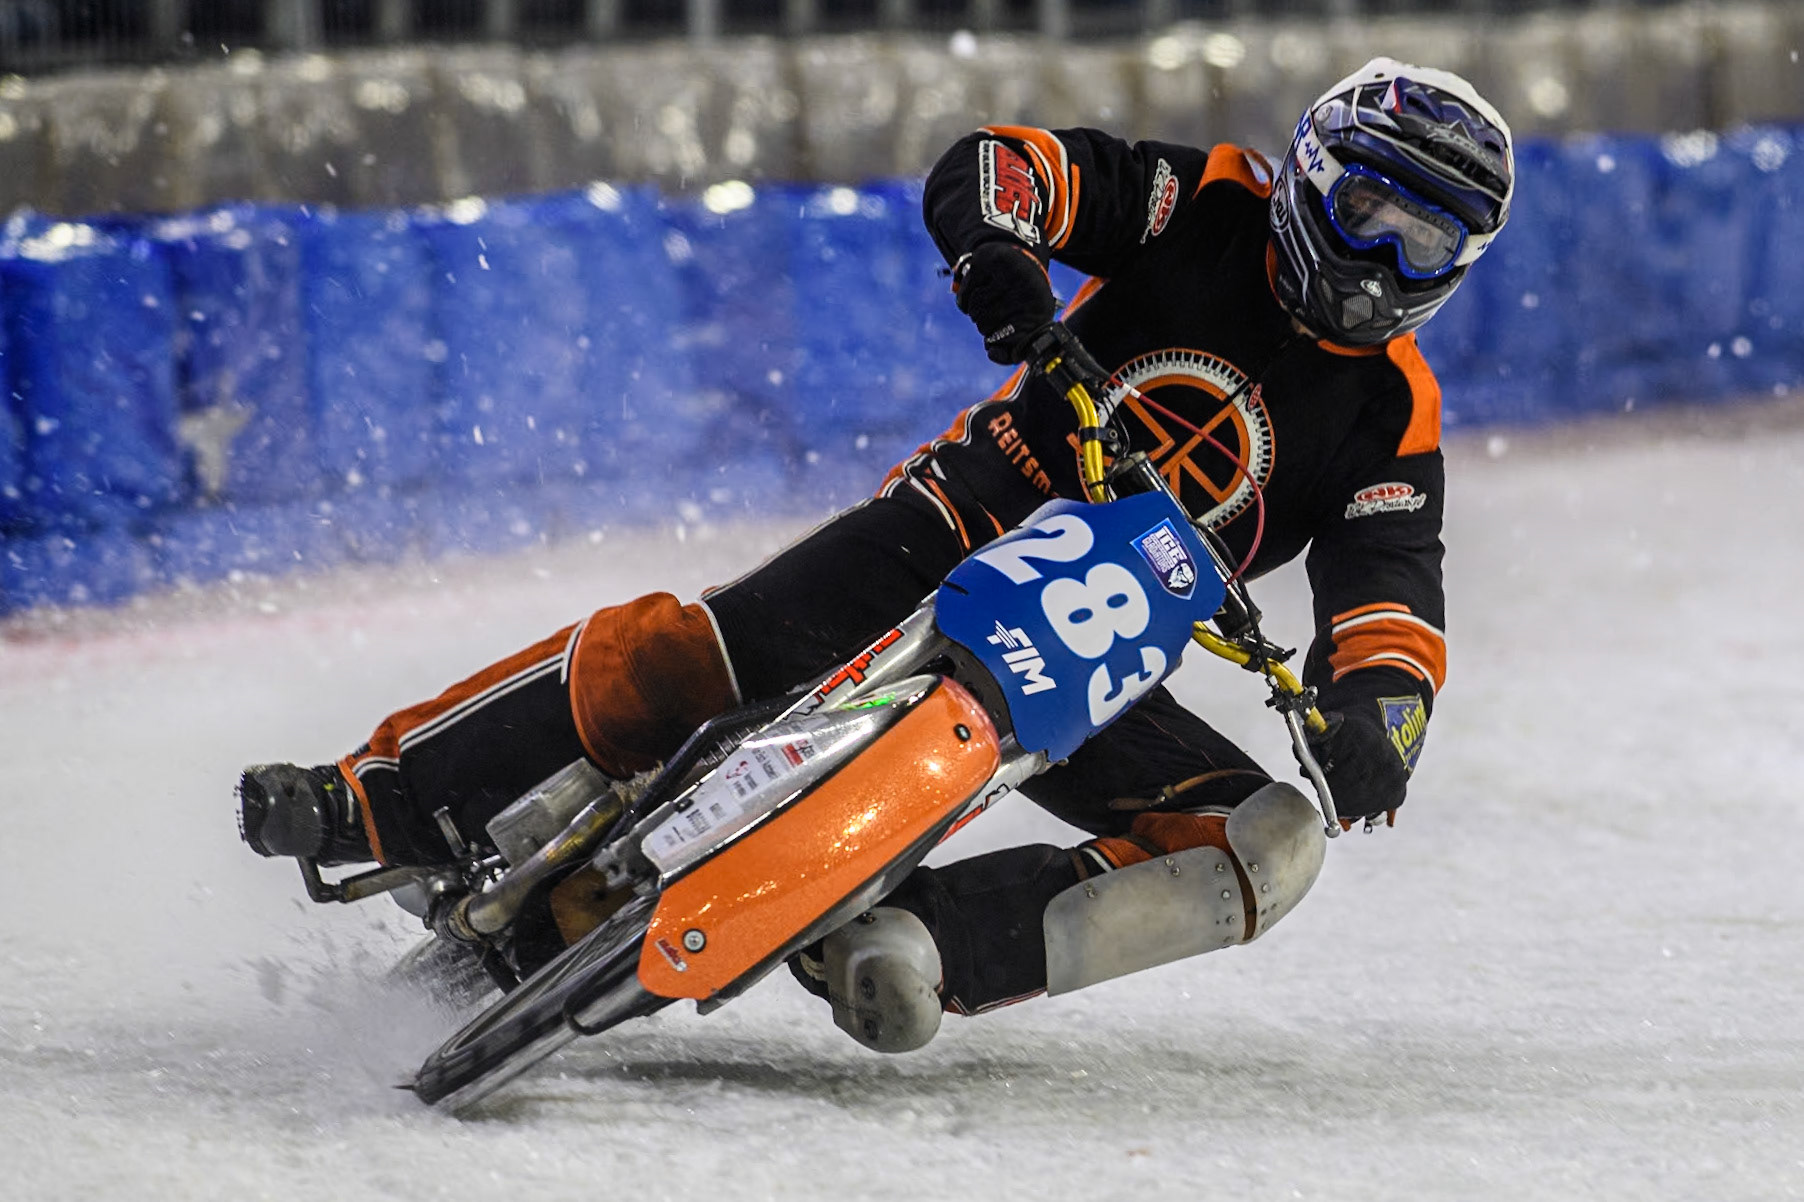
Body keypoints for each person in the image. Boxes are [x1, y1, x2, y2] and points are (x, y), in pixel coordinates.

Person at [240, 58, 1512, 1041]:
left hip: (1088, 663)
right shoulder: (1204, 201)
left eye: (1424, 243)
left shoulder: (1395, 416)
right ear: (1305, 176)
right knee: (686, 655)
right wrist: (996, 256)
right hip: (952, 527)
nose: (1377, 266)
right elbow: (1003, 166)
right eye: (1364, 213)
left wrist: (1376, 714)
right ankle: (380, 796)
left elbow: (1392, 588)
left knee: (1268, 841)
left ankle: (909, 941)